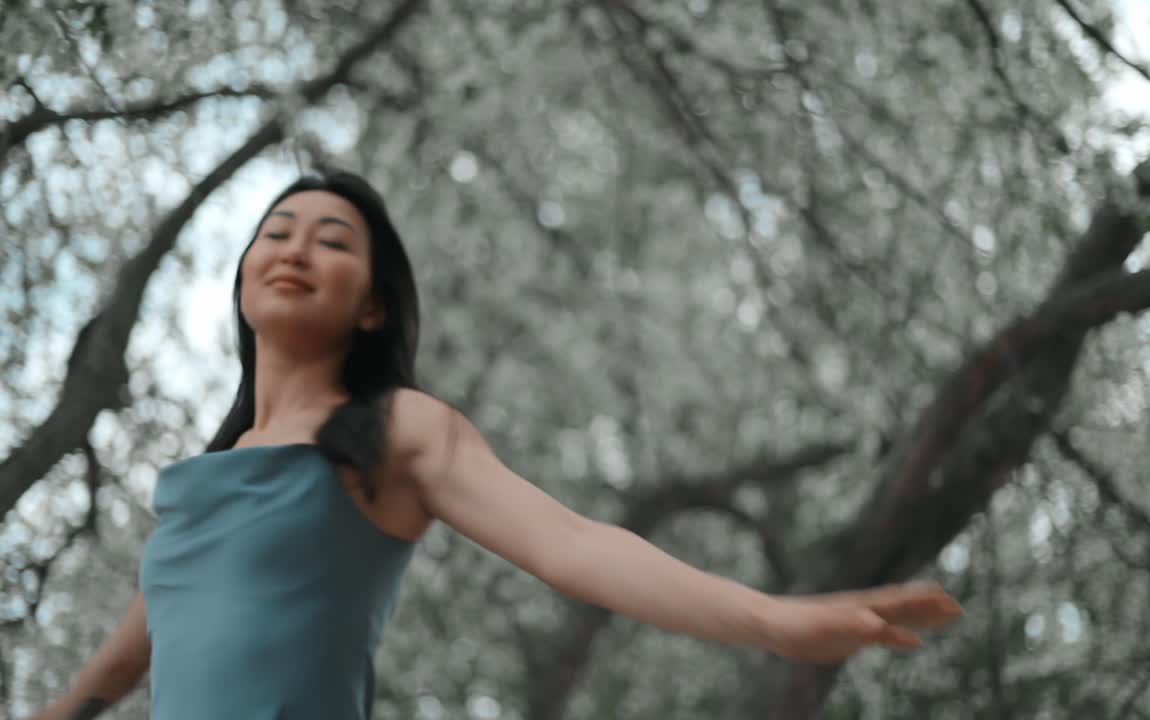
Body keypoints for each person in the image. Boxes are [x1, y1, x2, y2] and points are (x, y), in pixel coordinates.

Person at [27, 170, 962, 720]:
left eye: (333, 241)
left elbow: (574, 546)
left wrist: (776, 620)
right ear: (242, 281)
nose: (296, 249)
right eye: (276, 232)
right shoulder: (198, 486)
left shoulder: (399, 433)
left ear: (374, 304)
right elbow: (120, 666)